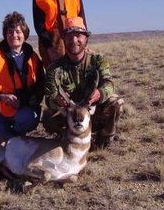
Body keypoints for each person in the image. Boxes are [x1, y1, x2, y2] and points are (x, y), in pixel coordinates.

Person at [43, 17, 124, 148]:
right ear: (64, 40)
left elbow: (109, 84)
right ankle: (69, 137)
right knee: (48, 117)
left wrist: (100, 93)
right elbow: (49, 97)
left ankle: (105, 137)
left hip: (92, 109)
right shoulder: (54, 68)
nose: (74, 40)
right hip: (70, 113)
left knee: (115, 102)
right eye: (69, 37)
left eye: (78, 36)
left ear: (86, 38)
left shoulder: (98, 60)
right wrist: (57, 100)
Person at [0, 11, 45, 136]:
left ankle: (13, 137)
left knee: (30, 118)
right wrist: (1, 96)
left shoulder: (33, 58)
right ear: (5, 35)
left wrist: (28, 99)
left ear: (25, 34)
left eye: (18, 32)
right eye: (10, 32)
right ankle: (8, 138)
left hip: (20, 108)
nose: (14, 35)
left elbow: (40, 86)